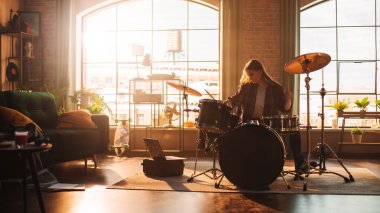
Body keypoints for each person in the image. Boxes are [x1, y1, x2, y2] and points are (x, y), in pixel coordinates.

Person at [225, 59, 306, 173]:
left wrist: (288, 99)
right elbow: (235, 100)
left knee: (295, 130)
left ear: (260, 71)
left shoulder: (275, 88)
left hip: (268, 124)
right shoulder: (246, 87)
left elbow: (285, 109)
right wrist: (229, 102)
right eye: (248, 75)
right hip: (249, 123)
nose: (250, 77)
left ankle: (299, 165)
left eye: (252, 74)